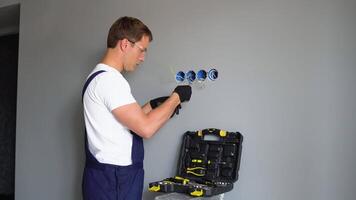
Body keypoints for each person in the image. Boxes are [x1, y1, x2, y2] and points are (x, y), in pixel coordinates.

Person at [81, 16, 192, 200]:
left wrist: (154, 106)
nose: (142, 58)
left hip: (108, 179)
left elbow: (123, 122)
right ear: (125, 44)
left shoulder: (99, 78)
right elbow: (145, 128)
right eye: (142, 50)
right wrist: (176, 97)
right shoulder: (110, 81)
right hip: (115, 181)